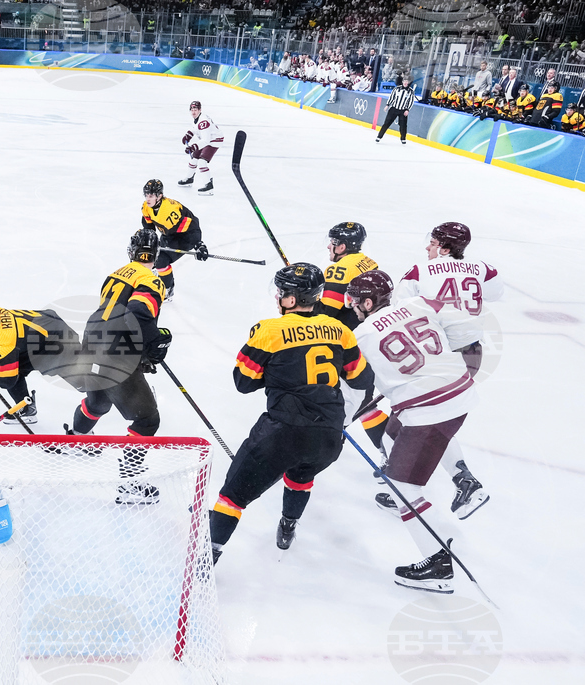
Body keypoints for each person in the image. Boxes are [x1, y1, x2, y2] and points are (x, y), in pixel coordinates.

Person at [209, 263, 374, 561]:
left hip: (281, 433)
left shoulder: (268, 331)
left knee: (232, 497)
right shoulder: (340, 331)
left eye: (282, 292)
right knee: (301, 474)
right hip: (329, 435)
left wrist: (280, 373)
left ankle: (208, 555)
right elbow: (361, 378)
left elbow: (243, 383)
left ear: (292, 299)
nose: (277, 297)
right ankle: (289, 524)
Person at [346, 271, 485, 593]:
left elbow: (357, 390)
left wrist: (338, 420)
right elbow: (468, 329)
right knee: (393, 431)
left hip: (427, 411)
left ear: (368, 303)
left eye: (355, 302)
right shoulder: (420, 303)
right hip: (459, 392)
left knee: (402, 488)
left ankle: (438, 564)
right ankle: (463, 478)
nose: (352, 307)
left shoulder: (360, 336)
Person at [67, 228, 172, 505]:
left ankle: (77, 439)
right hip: (116, 353)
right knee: (147, 420)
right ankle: (129, 483)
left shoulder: (115, 274)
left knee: (99, 402)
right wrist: (152, 345)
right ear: (156, 254)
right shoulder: (151, 278)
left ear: (131, 252)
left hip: (91, 343)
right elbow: (137, 314)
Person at [316, 222, 390, 452]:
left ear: (343, 247)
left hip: (348, 343)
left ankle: (324, 445)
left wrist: (305, 297)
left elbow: (325, 315)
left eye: (334, 243)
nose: (330, 246)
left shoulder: (338, 270)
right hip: (371, 334)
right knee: (364, 404)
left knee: (343, 401)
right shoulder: (367, 261)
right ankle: (390, 453)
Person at [396, 222, 503, 377]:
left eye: (432, 244)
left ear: (444, 250)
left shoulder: (419, 271)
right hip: (471, 353)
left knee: (428, 397)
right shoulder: (483, 268)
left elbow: (398, 307)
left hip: (434, 352)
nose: (427, 248)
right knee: (458, 398)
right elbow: (495, 294)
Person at [141, 179, 208, 301]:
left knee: (161, 260)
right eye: (146, 195)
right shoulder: (147, 207)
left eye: (151, 196)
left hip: (185, 236)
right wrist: (149, 239)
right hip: (169, 233)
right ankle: (159, 272)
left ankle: (168, 289)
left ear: (159, 196)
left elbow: (192, 226)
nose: (147, 199)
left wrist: (198, 244)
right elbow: (149, 225)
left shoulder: (169, 211)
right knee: (153, 255)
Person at [179, 101, 224, 195]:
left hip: (214, 141)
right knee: (194, 158)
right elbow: (195, 128)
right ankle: (189, 179)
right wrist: (188, 135)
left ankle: (208, 186)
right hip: (207, 140)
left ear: (200, 110)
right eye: (191, 110)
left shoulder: (203, 121)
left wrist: (193, 147)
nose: (193, 112)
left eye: (195, 110)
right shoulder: (197, 118)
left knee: (201, 162)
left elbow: (206, 141)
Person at [376, 76, 416, 144]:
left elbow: (411, 101)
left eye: (407, 81)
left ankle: (403, 138)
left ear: (408, 83)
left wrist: (407, 109)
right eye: (404, 81)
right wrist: (387, 105)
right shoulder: (397, 89)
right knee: (386, 123)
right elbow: (392, 97)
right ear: (402, 82)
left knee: (403, 125)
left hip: (403, 110)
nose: (405, 83)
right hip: (394, 108)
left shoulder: (411, 91)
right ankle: (379, 136)